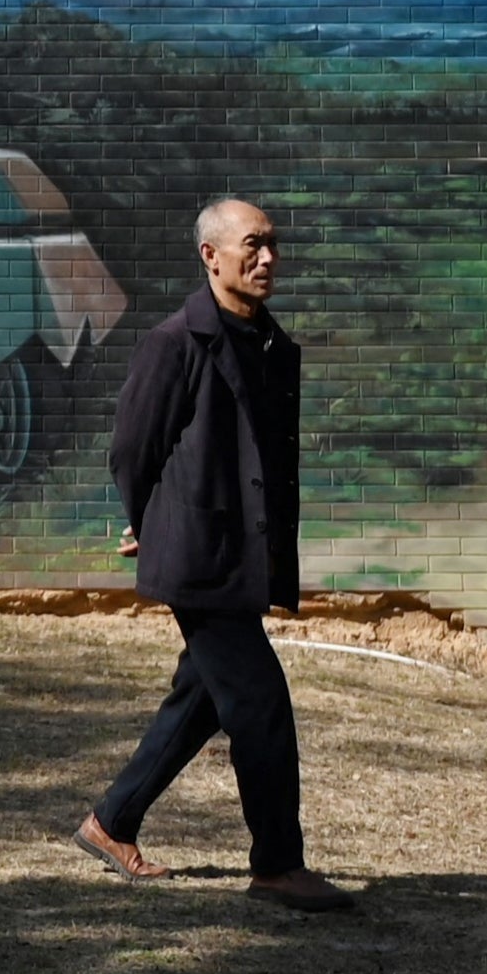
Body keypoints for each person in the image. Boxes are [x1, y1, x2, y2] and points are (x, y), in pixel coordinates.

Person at [74, 197, 351, 913]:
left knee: (201, 700)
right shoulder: (175, 342)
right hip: (199, 557)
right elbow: (133, 449)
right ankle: (277, 865)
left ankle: (111, 822)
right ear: (211, 256)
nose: (267, 259)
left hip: (239, 556)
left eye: (272, 246)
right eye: (252, 245)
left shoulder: (266, 343)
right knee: (259, 703)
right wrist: (152, 521)